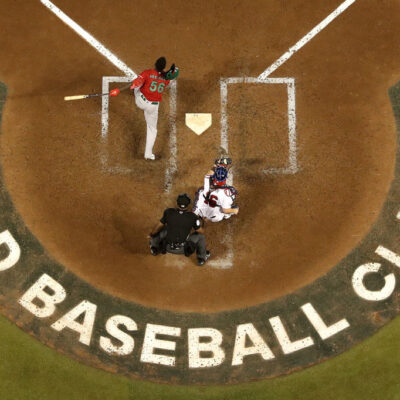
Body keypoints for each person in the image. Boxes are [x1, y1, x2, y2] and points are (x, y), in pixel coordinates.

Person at [130, 57, 179, 160]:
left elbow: (135, 83)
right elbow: (175, 72)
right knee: (152, 129)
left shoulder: (147, 73)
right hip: (153, 107)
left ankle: (136, 92)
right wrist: (169, 72)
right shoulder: (167, 79)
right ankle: (148, 155)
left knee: (137, 88)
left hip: (140, 101)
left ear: (155, 64)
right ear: (164, 68)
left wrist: (136, 83)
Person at [149, 193, 211, 266]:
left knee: (160, 228)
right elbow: (201, 231)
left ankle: (154, 249)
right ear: (188, 205)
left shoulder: (168, 212)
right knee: (201, 237)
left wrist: (151, 235)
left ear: (177, 203)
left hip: (166, 247)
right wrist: (203, 222)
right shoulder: (192, 217)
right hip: (183, 249)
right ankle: (201, 258)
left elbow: (158, 227)